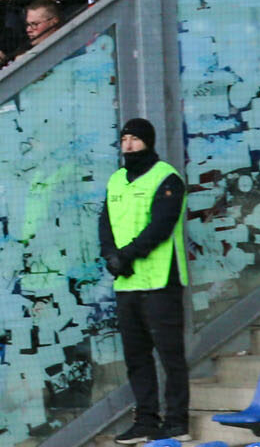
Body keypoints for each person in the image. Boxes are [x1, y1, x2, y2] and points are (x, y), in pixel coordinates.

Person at [101, 118, 189, 443]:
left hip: (160, 281)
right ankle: (147, 420)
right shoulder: (116, 181)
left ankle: (177, 419)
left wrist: (125, 256)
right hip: (127, 284)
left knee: (170, 355)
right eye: (124, 138)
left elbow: (161, 226)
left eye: (135, 139)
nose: (128, 144)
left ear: (148, 142)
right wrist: (110, 255)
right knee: (136, 358)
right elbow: (105, 223)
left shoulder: (166, 178)